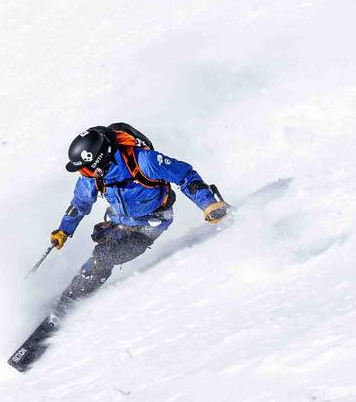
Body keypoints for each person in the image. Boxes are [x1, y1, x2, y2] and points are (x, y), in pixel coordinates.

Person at [47, 124, 229, 300]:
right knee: (101, 253)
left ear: (100, 160)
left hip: (150, 223)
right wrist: (64, 230)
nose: (84, 174)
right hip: (119, 220)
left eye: (86, 168)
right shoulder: (91, 178)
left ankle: (73, 297)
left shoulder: (144, 161)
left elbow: (185, 175)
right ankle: (76, 289)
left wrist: (209, 204)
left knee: (105, 256)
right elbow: (79, 203)